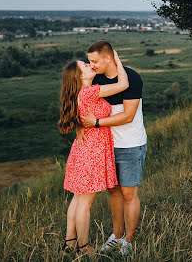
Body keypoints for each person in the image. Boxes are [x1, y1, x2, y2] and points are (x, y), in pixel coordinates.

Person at [77, 40, 146, 256]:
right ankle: (116, 237)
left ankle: (129, 241)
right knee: (114, 192)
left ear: (108, 58)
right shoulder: (96, 79)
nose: (92, 65)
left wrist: (95, 122)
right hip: (106, 146)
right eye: (90, 61)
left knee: (129, 194)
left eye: (95, 60)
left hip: (131, 144)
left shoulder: (131, 77)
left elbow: (128, 116)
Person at [58, 51, 128, 256]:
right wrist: (116, 59)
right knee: (85, 204)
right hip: (92, 153)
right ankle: (84, 246)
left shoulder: (77, 94)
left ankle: (69, 244)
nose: (90, 66)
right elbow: (123, 84)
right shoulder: (89, 92)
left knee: (78, 200)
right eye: (86, 66)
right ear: (81, 77)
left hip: (83, 150)